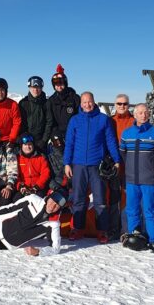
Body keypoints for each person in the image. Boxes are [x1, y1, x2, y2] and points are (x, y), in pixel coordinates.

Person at [63, 91, 121, 243]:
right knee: (78, 199)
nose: (87, 104)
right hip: (79, 165)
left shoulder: (103, 119)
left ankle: (102, 231)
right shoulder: (75, 120)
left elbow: (110, 141)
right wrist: (67, 163)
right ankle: (77, 229)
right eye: (84, 102)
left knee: (100, 200)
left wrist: (116, 159)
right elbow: (69, 143)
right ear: (80, 104)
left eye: (89, 101)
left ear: (94, 102)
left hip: (97, 164)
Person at [119, 104, 154, 251]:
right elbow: (123, 153)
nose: (143, 115)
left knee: (150, 210)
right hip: (131, 179)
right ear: (135, 115)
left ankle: (153, 238)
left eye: (146, 112)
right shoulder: (127, 134)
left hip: (149, 179)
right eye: (140, 113)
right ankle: (135, 234)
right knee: (132, 209)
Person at [107, 93, 134, 239]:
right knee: (114, 198)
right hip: (114, 165)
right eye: (119, 104)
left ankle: (131, 229)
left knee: (131, 198)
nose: (122, 106)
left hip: (130, 166)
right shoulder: (110, 121)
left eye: (124, 104)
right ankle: (114, 228)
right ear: (115, 105)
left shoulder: (134, 121)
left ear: (128, 105)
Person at [14, 134, 51, 201]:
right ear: (21, 146)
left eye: (30, 144)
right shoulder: (17, 158)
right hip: (24, 187)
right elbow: (15, 174)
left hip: (38, 187)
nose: (28, 147)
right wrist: (20, 186)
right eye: (25, 145)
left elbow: (45, 173)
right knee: (17, 199)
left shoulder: (40, 157)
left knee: (37, 200)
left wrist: (37, 186)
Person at [18, 76, 50, 151]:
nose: (35, 90)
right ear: (29, 87)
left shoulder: (46, 103)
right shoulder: (23, 103)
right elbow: (20, 123)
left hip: (42, 140)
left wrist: (44, 140)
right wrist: (23, 138)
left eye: (38, 87)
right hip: (26, 141)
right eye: (33, 87)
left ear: (42, 88)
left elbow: (49, 122)